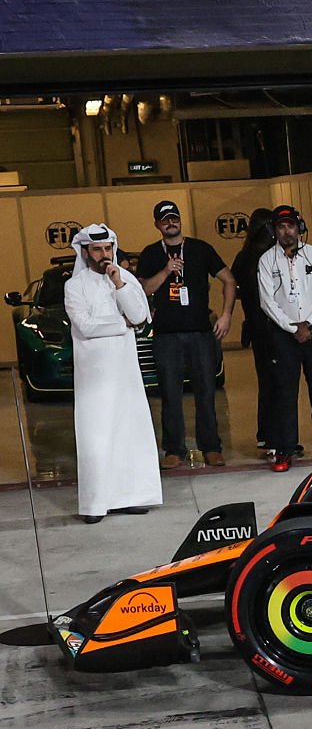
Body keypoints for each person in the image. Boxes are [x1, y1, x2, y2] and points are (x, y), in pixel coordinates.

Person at [63, 224, 161, 522]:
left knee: (129, 434)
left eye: (108, 248)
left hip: (126, 375)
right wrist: (121, 327)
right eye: (97, 250)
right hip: (94, 378)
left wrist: (118, 284)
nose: (104, 255)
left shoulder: (126, 279)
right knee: (97, 438)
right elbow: (86, 327)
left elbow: (139, 317)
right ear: (85, 252)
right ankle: (95, 504)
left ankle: (132, 496)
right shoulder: (74, 286)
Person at [134, 200, 234, 469]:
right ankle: (174, 449)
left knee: (206, 392)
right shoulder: (151, 254)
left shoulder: (200, 249)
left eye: (174, 217)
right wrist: (167, 270)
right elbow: (143, 289)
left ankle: (211, 447)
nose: (171, 222)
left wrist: (226, 315)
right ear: (157, 224)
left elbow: (229, 280)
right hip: (166, 335)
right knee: (170, 394)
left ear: (180, 220)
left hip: (200, 333)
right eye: (165, 219)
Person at [255, 205, 312, 469]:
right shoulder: (266, 260)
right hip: (284, 335)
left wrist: (311, 323)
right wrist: (291, 327)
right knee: (285, 393)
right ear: (275, 230)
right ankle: (285, 450)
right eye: (281, 227)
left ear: (298, 228)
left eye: (290, 225)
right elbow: (267, 301)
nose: (286, 231)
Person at [230, 208, 278, 453]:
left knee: (268, 380)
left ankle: (267, 434)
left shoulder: (244, 255)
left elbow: (234, 286)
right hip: (270, 326)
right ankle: (273, 436)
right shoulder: (268, 256)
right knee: (276, 381)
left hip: (257, 325)